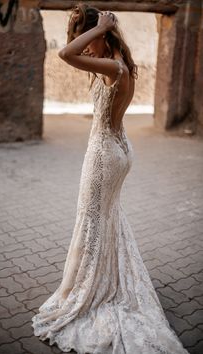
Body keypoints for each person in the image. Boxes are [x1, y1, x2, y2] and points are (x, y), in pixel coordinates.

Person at [32, 3, 190, 353]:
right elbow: (76, 49)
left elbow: (65, 53)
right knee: (105, 222)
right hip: (118, 149)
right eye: (80, 38)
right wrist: (96, 29)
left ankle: (92, 291)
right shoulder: (117, 62)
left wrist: (99, 27)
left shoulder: (111, 66)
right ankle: (105, 279)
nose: (83, 45)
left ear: (103, 34)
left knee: (92, 221)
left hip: (104, 155)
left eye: (87, 38)